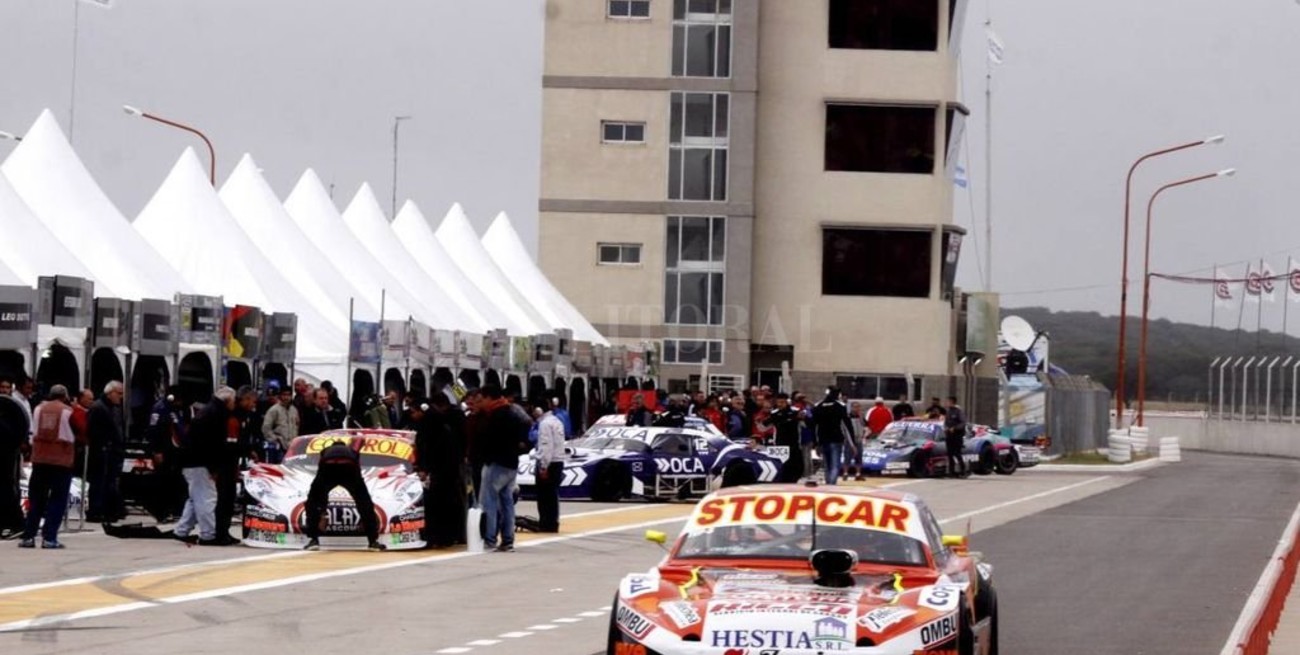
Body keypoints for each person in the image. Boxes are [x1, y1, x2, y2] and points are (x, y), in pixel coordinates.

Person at [18, 385, 86, 549]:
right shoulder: (69, 411)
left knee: (36, 500)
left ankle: (29, 536)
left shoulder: (38, 409)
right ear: (65, 396)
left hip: (39, 459)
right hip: (61, 462)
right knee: (57, 500)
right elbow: (83, 431)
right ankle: (49, 538)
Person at [173, 388, 234, 545]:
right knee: (207, 499)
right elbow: (212, 445)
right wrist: (213, 468)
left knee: (196, 498)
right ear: (227, 401)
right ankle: (208, 535)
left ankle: (181, 530)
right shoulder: (216, 415)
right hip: (200, 463)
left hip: (191, 461)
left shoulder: (207, 411)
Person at [303, 437, 385, 551]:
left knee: (313, 501)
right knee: (364, 502)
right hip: (349, 468)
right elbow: (357, 468)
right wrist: (362, 503)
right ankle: (373, 541)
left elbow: (320, 471)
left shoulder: (325, 450)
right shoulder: (352, 451)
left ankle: (313, 540)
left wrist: (322, 511)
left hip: (328, 468)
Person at [476, 385, 530, 552]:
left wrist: (484, 457)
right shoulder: (513, 413)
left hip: (496, 463)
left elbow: (487, 441)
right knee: (507, 502)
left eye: (482, 399)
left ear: (489, 398)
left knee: (489, 501)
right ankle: (508, 540)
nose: (481, 403)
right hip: (511, 464)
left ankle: (490, 539)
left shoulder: (494, 416)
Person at [213, 387, 259, 544]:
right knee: (224, 499)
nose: (254, 405)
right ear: (245, 399)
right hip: (225, 463)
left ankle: (224, 532)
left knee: (229, 498)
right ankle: (219, 533)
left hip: (233, 462)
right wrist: (246, 451)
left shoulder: (245, 416)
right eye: (252, 401)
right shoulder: (232, 416)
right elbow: (231, 443)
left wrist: (248, 450)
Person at [144, 387, 188, 521]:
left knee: (174, 481)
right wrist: (156, 450)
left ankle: (174, 510)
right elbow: (154, 430)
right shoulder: (160, 408)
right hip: (163, 451)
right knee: (162, 482)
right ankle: (160, 512)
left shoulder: (174, 410)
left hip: (174, 451)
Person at [87, 381, 127, 523]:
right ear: (110, 393)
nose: (121, 397)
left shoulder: (114, 408)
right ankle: (96, 510)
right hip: (101, 451)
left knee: (109, 482)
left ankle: (109, 510)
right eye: (119, 393)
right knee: (99, 482)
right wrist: (103, 446)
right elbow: (92, 430)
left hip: (112, 451)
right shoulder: (98, 408)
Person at [0, 377, 30, 539]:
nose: (4, 390)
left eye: (7, 387)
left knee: (8, 488)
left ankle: (16, 523)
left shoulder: (13, 407)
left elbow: (20, 428)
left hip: (8, 455)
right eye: (2, 387)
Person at [812, 388, 855, 485]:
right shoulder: (840, 406)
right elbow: (847, 426)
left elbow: (813, 426)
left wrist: (815, 443)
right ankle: (831, 484)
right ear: (837, 395)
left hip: (822, 440)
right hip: (836, 439)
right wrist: (852, 443)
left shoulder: (818, 406)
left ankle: (828, 483)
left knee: (827, 465)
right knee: (835, 465)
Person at [534, 403, 566, 533]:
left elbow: (546, 445)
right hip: (558, 461)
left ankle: (546, 523)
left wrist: (543, 466)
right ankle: (552, 522)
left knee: (544, 495)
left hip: (550, 462)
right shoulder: (557, 421)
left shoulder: (544, 424)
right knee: (552, 495)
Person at [768, 393, 804, 483]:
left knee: (796, 466)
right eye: (779, 402)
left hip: (794, 444)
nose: (780, 404)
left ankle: (793, 481)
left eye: (782, 402)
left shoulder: (795, 411)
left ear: (787, 402)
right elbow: (765, 426)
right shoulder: (774, 413)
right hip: (780, 445)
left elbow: (805, 423)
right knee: (781, 466)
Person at [261, 386, 298, 464]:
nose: (286, 397)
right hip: (279, 448)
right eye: (284, 395)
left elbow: (296, 426)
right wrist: (275, 440)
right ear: (280, 396)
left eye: (288, 395)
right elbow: (266, 428)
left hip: (292, 447)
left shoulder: (294, 410)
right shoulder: (274, 410)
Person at [943, 396, 968, 478]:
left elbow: (963, 423)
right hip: (949, 435)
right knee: (950, 454)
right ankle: (951, 472)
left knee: (957, 453)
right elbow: (946, 422)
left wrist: (955, 428)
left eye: (948, 401)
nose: (947, 403)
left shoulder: (958, 411)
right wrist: (946, 428)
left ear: (952, 402)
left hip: (957, 435)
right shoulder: (948, 411)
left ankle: (963, 470)